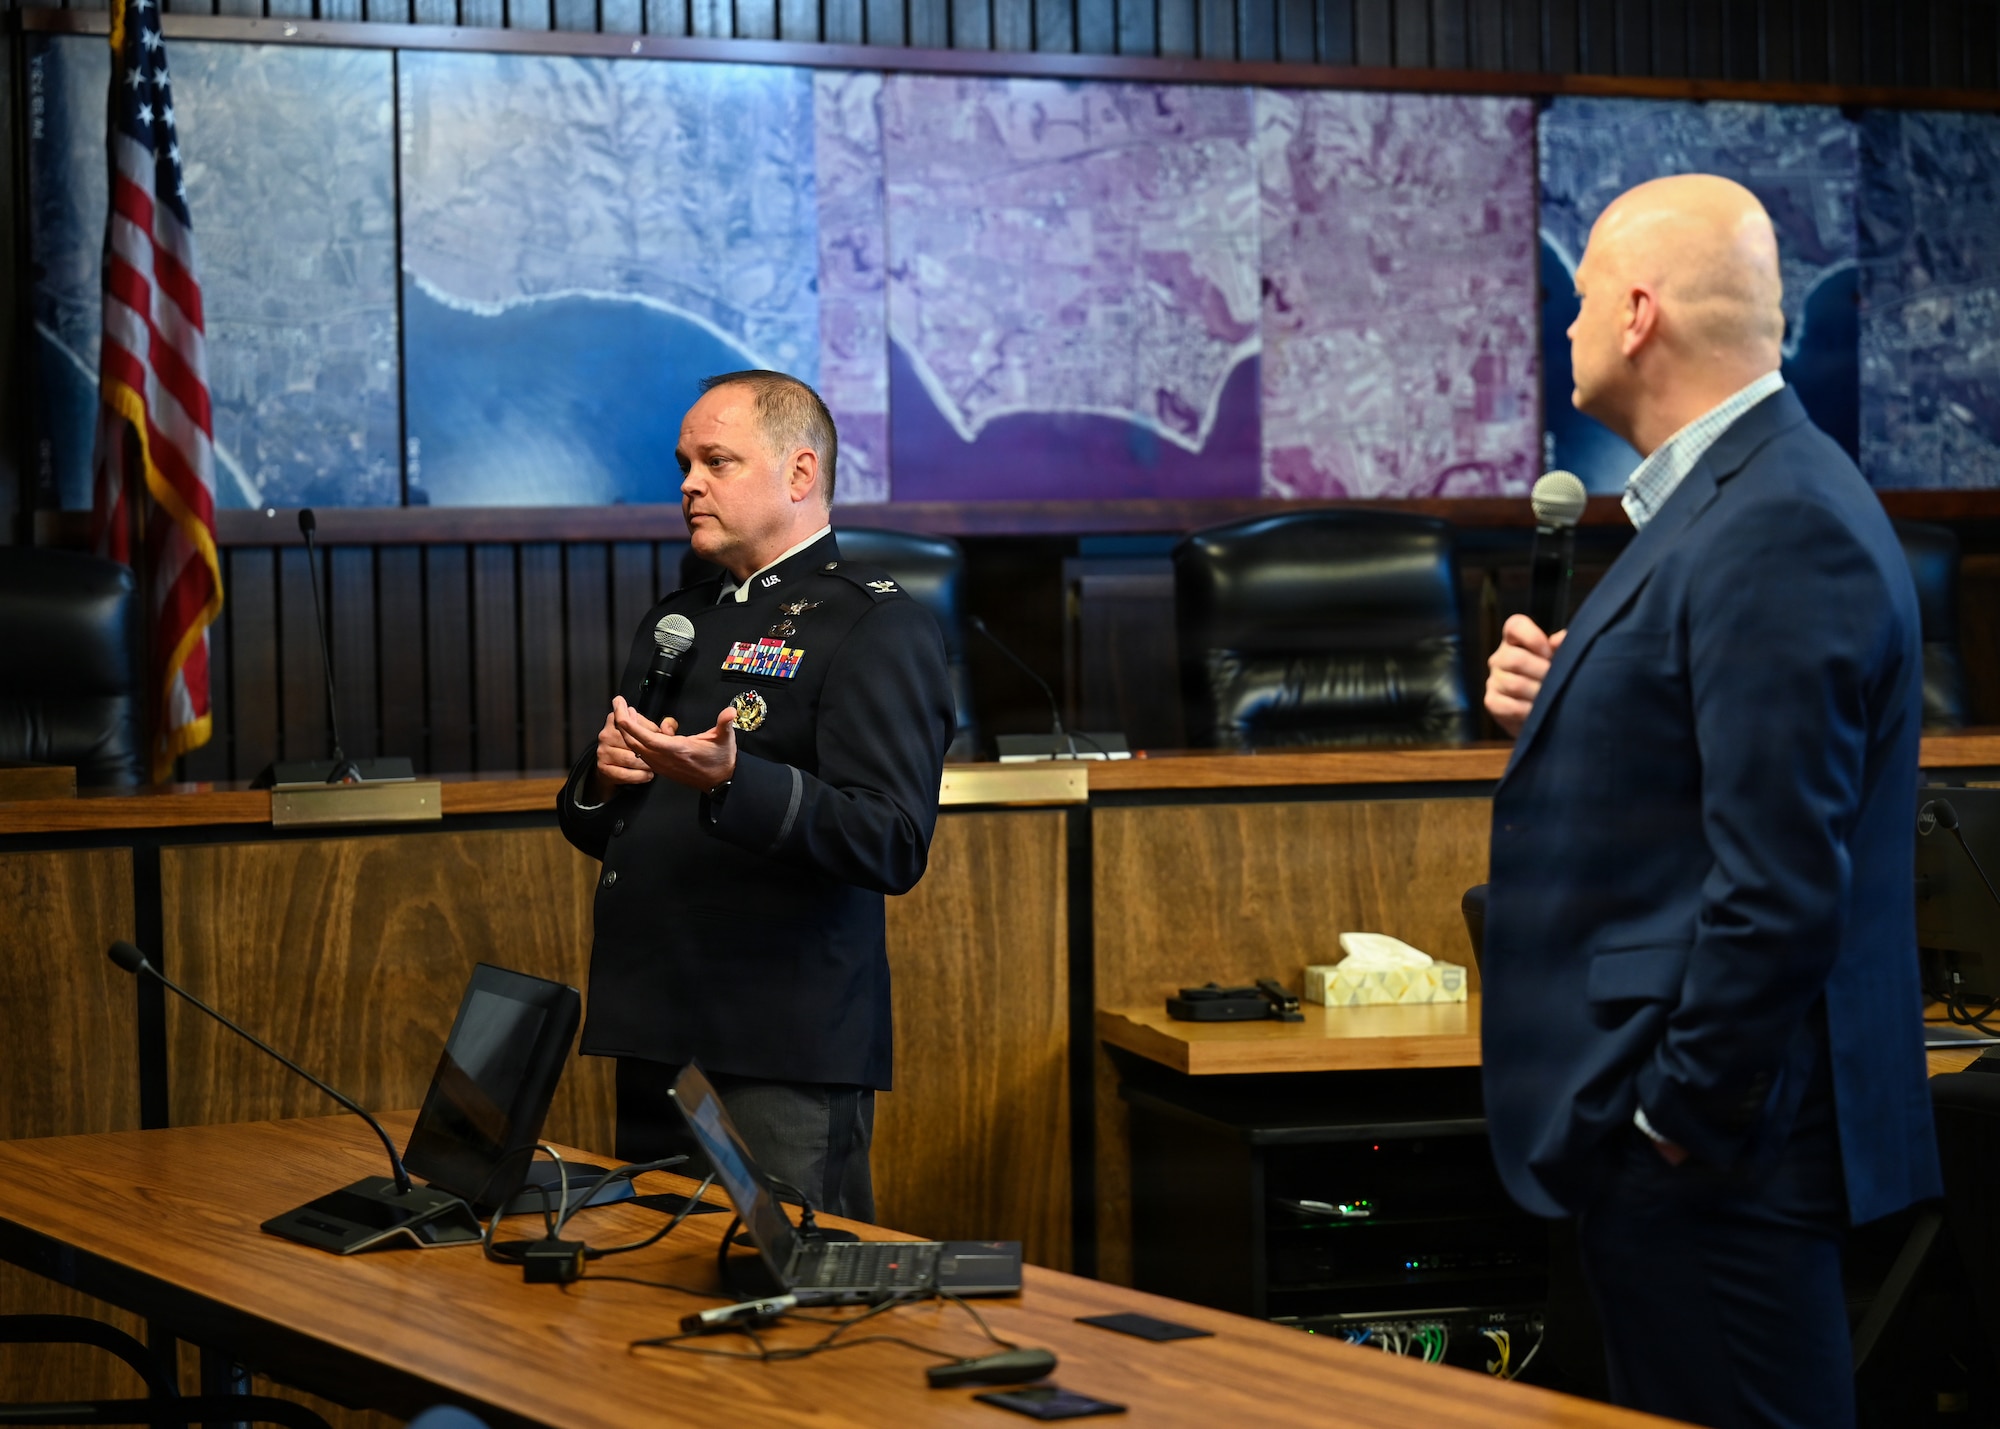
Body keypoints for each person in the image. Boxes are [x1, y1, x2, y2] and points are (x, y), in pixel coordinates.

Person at [1481, 175, 1940, 1428]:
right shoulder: (1726, 503)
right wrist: (1570, 691)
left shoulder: (1777, 522)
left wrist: (1671, 1118)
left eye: (1577, 301)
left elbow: (1780, 885)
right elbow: (1702, 762)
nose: (1561, 330)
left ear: (1636, 315)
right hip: (1686, 1149)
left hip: (1720, 1159)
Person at [556, 370, 954, 1221]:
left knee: (795, 1313)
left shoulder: (874, 626)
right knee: (657, 1302)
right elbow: (604, 826)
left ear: (800, 474)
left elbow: (891, 839)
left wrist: (736, 781)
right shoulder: (681, 621)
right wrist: (603, 778)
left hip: (780, 1048)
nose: (688, 483)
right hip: (656, 1025)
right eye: (684, 464)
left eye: (716, 461)